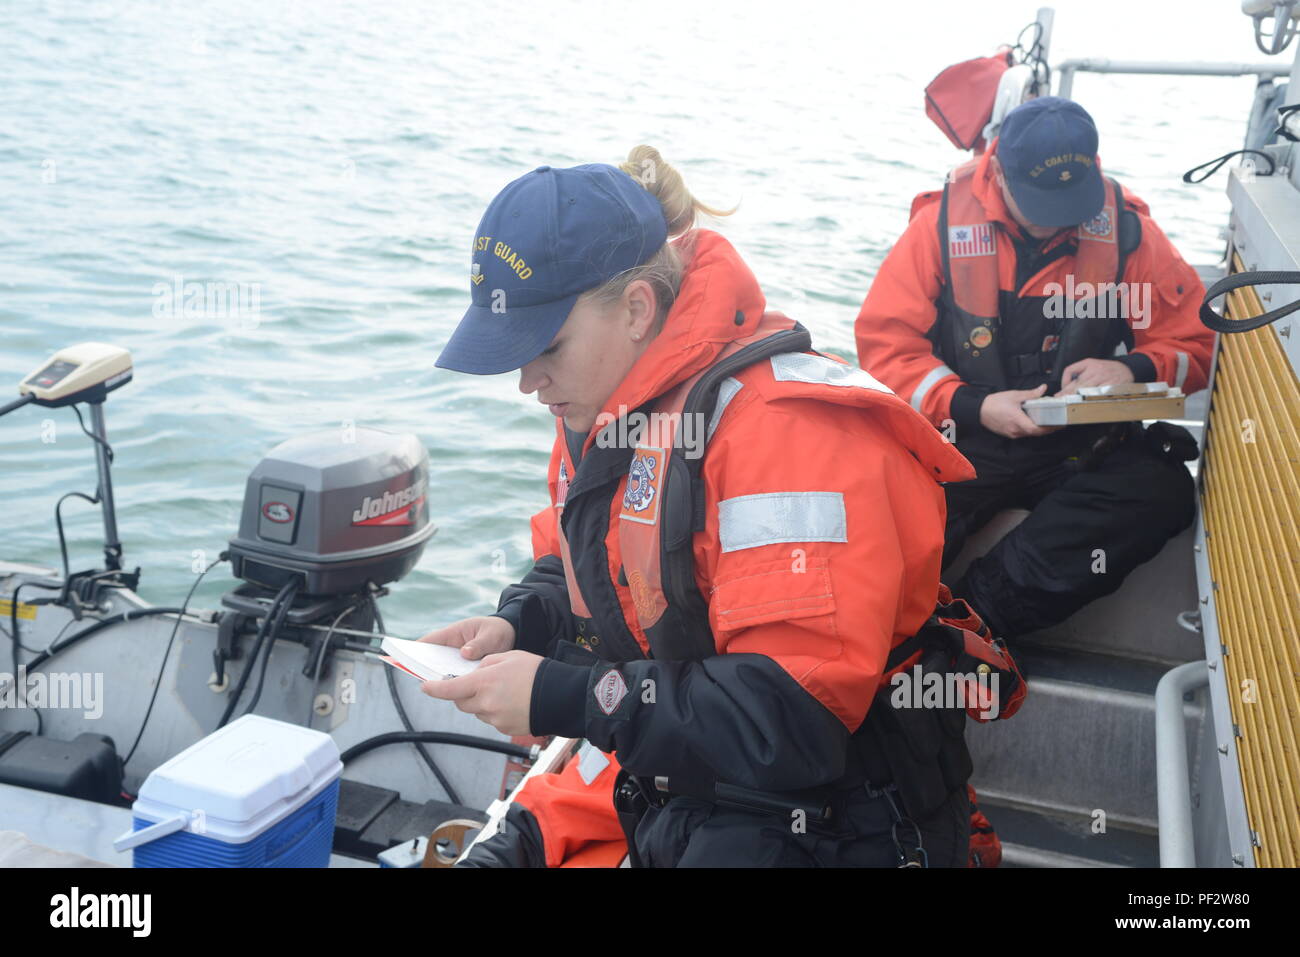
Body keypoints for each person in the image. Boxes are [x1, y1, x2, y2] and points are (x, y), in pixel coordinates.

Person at [419, 145, 988, 868]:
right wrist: (521, 619)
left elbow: (791, 716)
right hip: (695, 786)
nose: (528, 381)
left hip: (839, 814)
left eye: (547, 347)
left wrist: (568, 697)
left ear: (635, 309)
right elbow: (595, 573)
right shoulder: (599, 409)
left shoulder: (792, 432)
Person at [855, 97, 1214, 641]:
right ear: (997, 168)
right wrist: (973, 405)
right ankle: (873, 630)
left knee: (1160, 492)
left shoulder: (1128, 231)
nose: (1056, 220)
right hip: (961, 435)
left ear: (1093, 171)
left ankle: (973, 621)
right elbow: (886, 347)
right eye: (1041, 204)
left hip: (1074, 445)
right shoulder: (939, 226)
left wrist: (1135, 369)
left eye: (1070, 203)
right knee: (873, 506)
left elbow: (1196, 340)